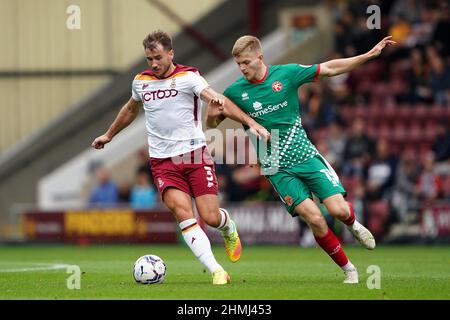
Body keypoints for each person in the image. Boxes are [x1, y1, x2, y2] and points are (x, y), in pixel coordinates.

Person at [207, 35, 396, 284]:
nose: (242, 68)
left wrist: (367, 56)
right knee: (315, 218)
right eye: (238, 63)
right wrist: (211, 115)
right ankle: (349, 269)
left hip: (305, 155)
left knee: (338, 210)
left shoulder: (286, 74)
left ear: (260, 58)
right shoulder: (234, 92)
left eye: (246, 62)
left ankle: (352, 224)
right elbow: (212, 124)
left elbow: (329, 68)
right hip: (275, 165)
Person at [91, 30, 269, 285]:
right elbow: (131, 109)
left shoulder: (189, 76)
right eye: (149, 58)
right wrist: (109, 135)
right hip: (163, 162)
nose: (154, 63)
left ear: (171, 53)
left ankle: (228, 226)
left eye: (158, 57)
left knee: (209, 216)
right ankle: (217, 271)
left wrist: (244, 119)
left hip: (195, 155)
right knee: (183, 213)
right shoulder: (141, 81)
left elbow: (210, 95)